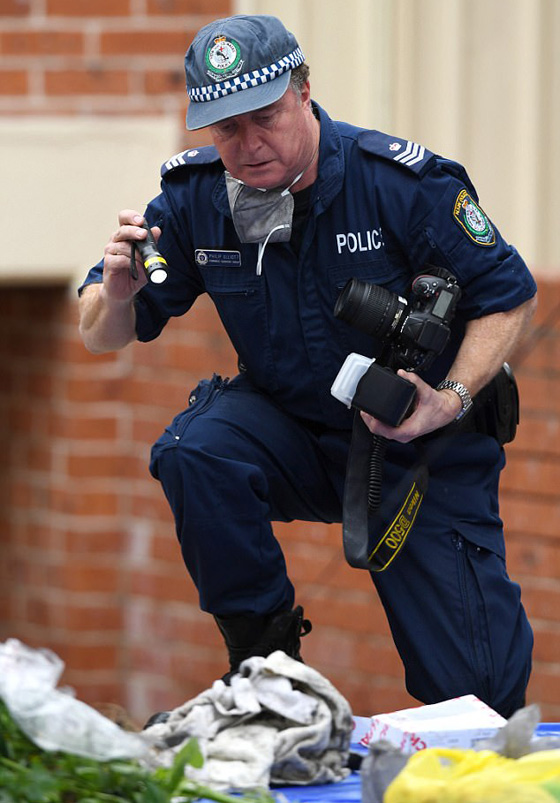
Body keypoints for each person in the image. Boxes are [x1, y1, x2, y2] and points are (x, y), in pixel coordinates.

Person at [78, 14, 537, 718]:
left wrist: (448, 396)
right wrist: (116, 294)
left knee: (479, 695)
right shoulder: (198, 195)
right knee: (195, 450)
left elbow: (509, 297)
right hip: (292, 432)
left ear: (303, 92)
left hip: (417, 442)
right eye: (227, 129)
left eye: (265, 118)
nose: (249, 145)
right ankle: (270, 683)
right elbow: (100, 334)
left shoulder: (400, 184)